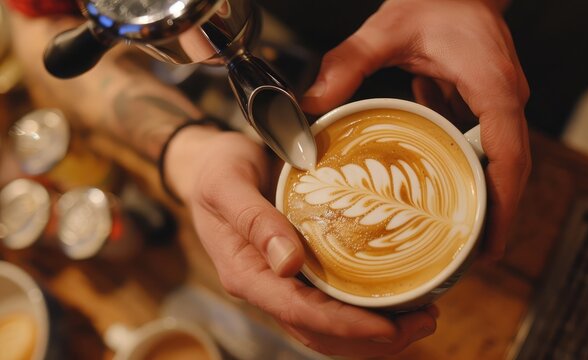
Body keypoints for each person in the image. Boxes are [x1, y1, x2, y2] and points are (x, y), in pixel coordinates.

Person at [4, 0, 531, 356]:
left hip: (482, 39)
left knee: (521, 145)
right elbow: (39, 34)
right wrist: (189, 151)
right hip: (309, 53)